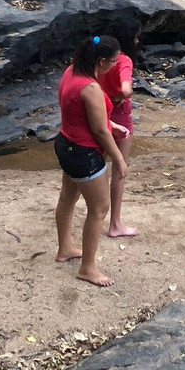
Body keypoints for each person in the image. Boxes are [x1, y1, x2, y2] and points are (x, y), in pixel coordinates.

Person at [53, 35, 128, 287]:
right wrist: (119, 159)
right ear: (102, 61)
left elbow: (81, 114)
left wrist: (111, 123)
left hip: (66, 143)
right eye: (114, 61)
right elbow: (99, 131)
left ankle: (65, 248)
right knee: (99, 208)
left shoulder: (70, 72)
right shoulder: (90, 87)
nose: (117, 65)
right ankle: (88, 268)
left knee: (67, 197)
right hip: (83, 153)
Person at [97, 17, 143, 238]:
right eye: (135, 36)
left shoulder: (98, 57)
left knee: (94, 165)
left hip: (96, 111)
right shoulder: (123, 61)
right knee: (119, 168)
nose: (137, 40)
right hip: (119, 115)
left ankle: (92, 214)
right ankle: (115, 223)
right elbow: (126, 90)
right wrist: (118, 96)